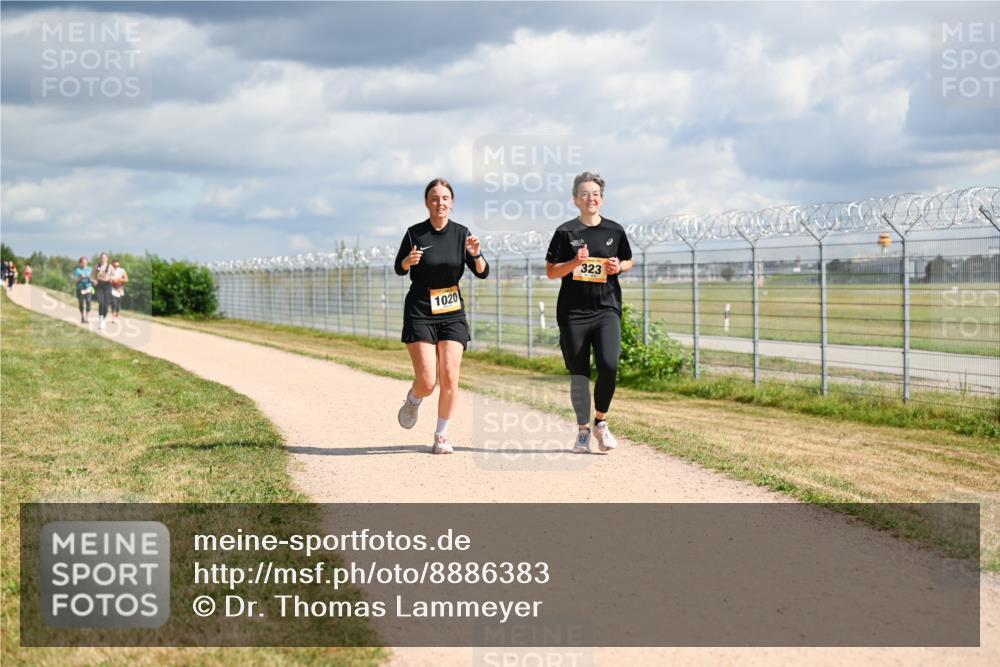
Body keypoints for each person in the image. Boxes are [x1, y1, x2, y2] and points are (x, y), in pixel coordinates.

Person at [394, 178, 490, 454]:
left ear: (452, 202)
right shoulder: (414, 233)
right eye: (434, 198)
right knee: (428, 381)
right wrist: (407, 261)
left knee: (450, 377)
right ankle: (414, 399)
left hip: (451, 311)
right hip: (421, 310)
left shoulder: (462, 233)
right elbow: (399, 268)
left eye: (445, 198)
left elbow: (483, 272)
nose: (440, 203)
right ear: (427, 203)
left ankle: (441, 435)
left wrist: (476, 254)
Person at [545, 171, 633, 454]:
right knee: (579, 374)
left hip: (606, 308)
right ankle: (583, 430)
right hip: (573, 313)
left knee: (609, 365)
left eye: (595, 194)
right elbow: (551, 272)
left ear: (602, 199)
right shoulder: (565, 232)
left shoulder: (614, 230)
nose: (590, 198)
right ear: (575, 199)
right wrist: (574, 262)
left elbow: (628, 260)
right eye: (584, 194)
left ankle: (601, 422)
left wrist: (618, 267)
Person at [91, 252, 113, 330]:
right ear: (100, 258)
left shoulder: (110, 267)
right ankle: (101, 318)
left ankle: (104, 319)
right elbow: (92, 275)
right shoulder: (96, 266)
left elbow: (114, 275)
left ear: (107, 259)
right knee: (101, 302)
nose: (103, 259)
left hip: (107, 286)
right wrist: (93, 280)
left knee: (106, 304)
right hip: (99, 286)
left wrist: (111, 278)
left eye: (104, 258)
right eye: (102, 257)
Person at [72, 257, 94, 323]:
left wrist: (92, 279)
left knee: (88, 302)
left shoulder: (90, 269)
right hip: (80, 288)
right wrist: (80, 278)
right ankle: (82, 316)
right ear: (80, 263)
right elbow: (74, 281)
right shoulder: (77, 270)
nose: (84, 263)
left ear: (87, 262)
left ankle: (86, 317)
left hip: (88, 288)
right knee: (81, 303)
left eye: (85, 262)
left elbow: (94, 278)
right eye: (83, 262)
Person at [109, 258, 129, 323]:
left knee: (118, 305)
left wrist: (119, 279)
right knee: (113, 303)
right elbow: (107, 279)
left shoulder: (122, 270)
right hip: (112, 289)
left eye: (117, 266)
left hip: (120, 289)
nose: (116, 267)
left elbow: (126, 279)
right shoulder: (109, 270)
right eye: (114, 266)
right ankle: (113, 317)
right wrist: (111, 281)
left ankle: (116, 317)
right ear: (112, 265)